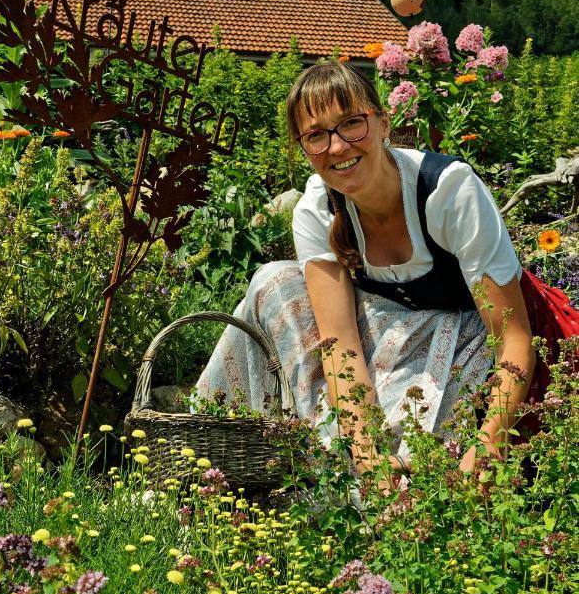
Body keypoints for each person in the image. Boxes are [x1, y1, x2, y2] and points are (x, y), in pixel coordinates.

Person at [196, 61, 572, 478]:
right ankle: (220, 450)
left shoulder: (447, 192)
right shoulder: (318, 211)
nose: (337, 147)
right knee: (274, 280)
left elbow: (514, 339)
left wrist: (490, 444)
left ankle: (403, 470)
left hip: (477, 336)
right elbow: (338, 345)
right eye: (316, 135)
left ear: (382, 122)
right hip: (397, 332)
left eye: (351, 124)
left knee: (425, 457)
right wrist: (365, 447)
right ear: (303, 148)